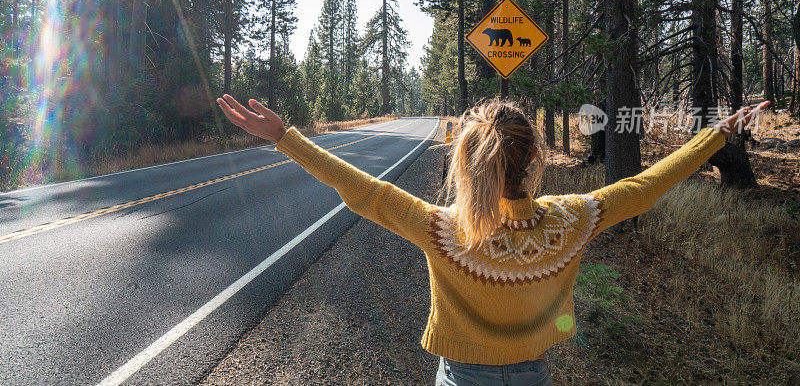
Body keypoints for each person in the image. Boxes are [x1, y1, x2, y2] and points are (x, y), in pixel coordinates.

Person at [216, 94, 768, 386]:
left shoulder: (444, 228)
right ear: (533, 159)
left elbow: (364, 192)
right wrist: (716, 134)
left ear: (469, 161)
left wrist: (287, 138)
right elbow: (645, 187)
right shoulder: (573, 220)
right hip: (533, 375)